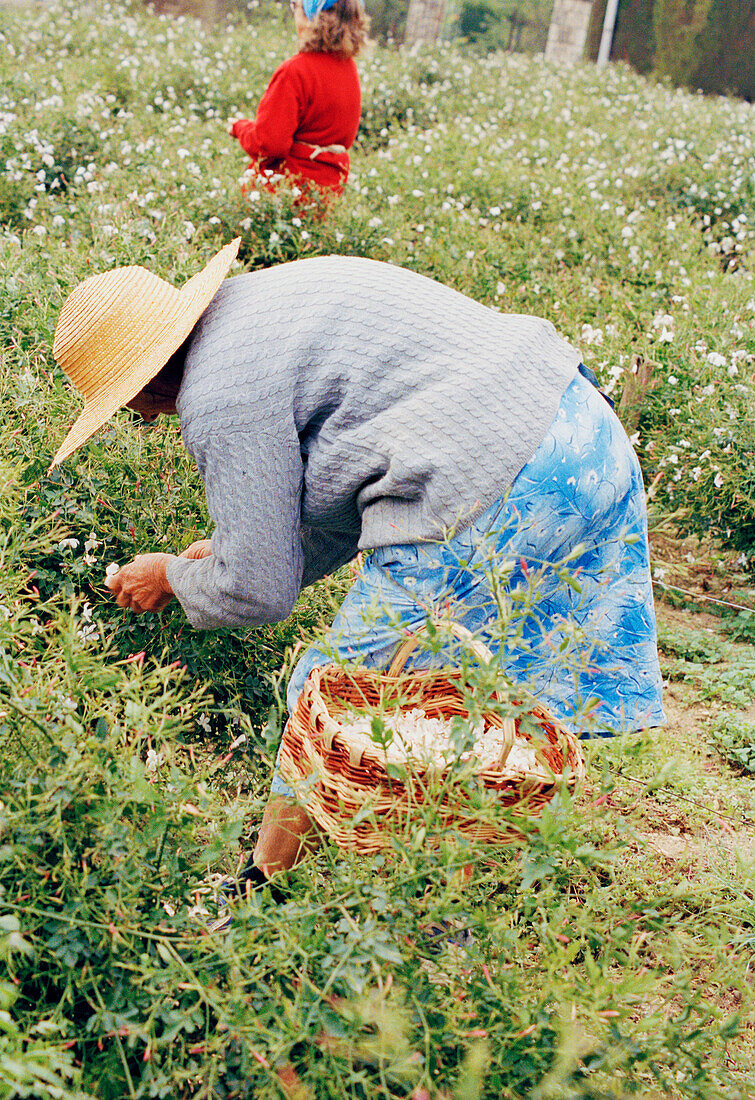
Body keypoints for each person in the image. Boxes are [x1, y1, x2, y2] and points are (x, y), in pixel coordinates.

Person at [49, 240, 665, 913]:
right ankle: (477, 877)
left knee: (339, 692)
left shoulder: (219, 396)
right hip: (580, 436)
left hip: (497, 484)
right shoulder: (260, 302)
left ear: (144, 379)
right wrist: (234, 553)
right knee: (481, 691)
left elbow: (256, 590)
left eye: (126, 405)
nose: (141, 418)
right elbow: (339, 504)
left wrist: (170, 575)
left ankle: (268, 893)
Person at [228, 0, 367, 200]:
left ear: (311, 16)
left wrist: (240, 128)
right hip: (328, 194)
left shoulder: (295, 71)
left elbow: (268, 144)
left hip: (288, 194)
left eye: (295, 5)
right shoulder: (348, 68)